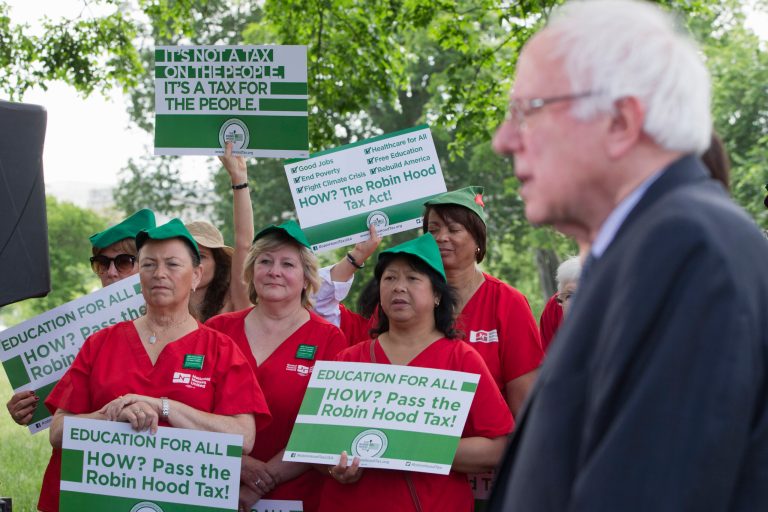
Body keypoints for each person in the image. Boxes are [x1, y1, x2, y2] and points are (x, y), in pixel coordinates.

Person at [489, 1, 768, 510]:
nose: (502, 141)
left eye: (526, 111)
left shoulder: (686, 251)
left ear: (620, 121)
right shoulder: (653, 248)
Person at [38, 219, 271, 512]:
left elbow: (242, 437)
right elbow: (58, 432)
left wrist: (163, 407)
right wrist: (112, 415)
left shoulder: (221, 349)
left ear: (196, 275)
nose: (159, 274)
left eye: (173, 264)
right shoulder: (101, 343)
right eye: (148, 265)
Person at [321, 234, 512, 512]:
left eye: (412, 279)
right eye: (389, 279)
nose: (399, 287)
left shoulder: (462, 358)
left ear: (437, 295)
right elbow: (317, 443)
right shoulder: (349, 360)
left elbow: (498, 446)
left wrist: (414, 447)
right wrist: (334, 467)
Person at [332, 187, 543, 417]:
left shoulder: (508, 302)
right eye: (432, 230)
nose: (441, 237)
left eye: (454, 229)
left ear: (478, 240)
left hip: (480, 443)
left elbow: (524, 404)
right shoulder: (397, 304)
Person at [205, 220, 347, 512]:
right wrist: (238, 465)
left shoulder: (329, 339)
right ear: (251, 270)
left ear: (307, 277)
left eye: (288, 264)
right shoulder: (216, 330)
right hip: (216, 487)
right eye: (265, 261)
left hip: (297, 495)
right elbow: (194, 411)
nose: (274, 271)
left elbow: (320, 428)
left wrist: (260, 482)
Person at [5, 209, 156, 427]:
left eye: (124, 262)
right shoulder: (82, 328)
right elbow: (60, 411)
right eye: (102, 263)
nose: (111, 272)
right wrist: (28, 408)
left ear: (149, 264)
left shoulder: (178, 321)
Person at [186, 143, 253, 321]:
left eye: (201, 255)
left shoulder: (234, 301)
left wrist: (239, 179)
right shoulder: (161, 305)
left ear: (219, 265)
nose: (194, 264)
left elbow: (244, 244)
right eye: (186, 256)